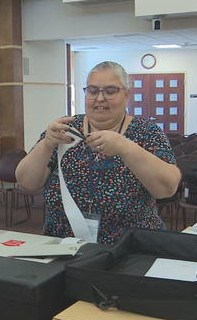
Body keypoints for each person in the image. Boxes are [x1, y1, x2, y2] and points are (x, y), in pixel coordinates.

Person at [15, 61, 181, 244]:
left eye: (110, 91)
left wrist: (124, 147)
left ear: (127, 95)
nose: (100, 98)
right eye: (93, 91)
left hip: (130, 248)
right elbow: (26, 182)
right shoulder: (65, 129)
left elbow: (167, 188)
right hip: (62, 247)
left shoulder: (147, 132)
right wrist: (46, 144)